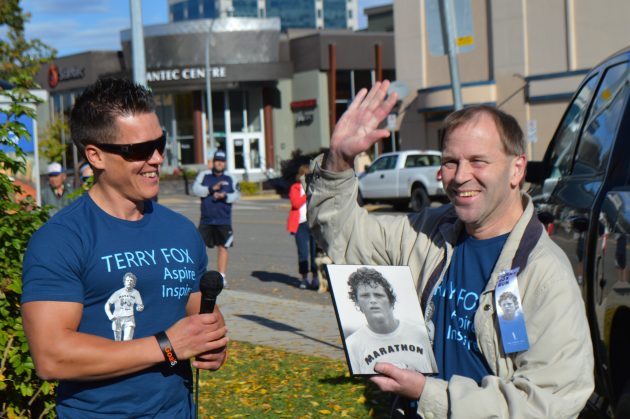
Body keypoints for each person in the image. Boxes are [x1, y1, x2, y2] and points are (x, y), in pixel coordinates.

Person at [307, 80, 594, 417]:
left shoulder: (545, 275)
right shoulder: (428, 232)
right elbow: (341, 234)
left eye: (478, 161)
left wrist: (428, 393)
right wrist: (339, 159)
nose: (460, 176)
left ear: (517, 169)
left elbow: (545, 405)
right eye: (450, 162)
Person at [21, 78, 228, 418]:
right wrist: (167, 346)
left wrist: (213, 343)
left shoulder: (180, 232)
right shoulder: (61, 239)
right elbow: (51, 356)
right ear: (95, 155)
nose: (157, 158)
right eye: (139, 150)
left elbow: (195, 320)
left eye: (160, 143)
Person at [345, 267, 434, 375]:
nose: (372, 300)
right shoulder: (352, 344)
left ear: (391, 301)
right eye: (365, 296)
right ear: (357, 302)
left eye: (378, 295)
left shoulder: (419, 333)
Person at [192, 149, 240, 288]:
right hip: (206, 219)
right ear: (213, 162)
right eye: (217, 161)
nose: (219, 163)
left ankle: (222, 277)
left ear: (225, 163)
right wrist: (211, 189)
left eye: (222, 161)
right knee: (199, 248)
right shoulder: (204, 175)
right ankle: (198, 276)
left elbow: (236, 195)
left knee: (223, 248)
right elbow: (195, 189)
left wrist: (224, 196)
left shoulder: (231, 177)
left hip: (223, 220)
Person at [287, 164, 318, 289]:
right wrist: (306, 193)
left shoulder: (315, 188)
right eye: (305, 176)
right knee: (303, 253)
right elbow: (295, 203)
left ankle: (316, 277)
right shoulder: (295, 188)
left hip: (313, 223)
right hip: (300, 224)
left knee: (315, 252)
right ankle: (304, 278)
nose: (306, 179)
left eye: (309, 176)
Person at [104, 272, 145, 341]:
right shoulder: (118, 293)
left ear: (134, 283)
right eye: (127, 280)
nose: (129, 282)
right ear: (124, 282)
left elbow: (140, 305)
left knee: (127, 340)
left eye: (131, 281)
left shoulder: (136, 293)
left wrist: (140, 308)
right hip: (117, 319)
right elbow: (107, 304)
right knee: (117, 341)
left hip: (129, 319)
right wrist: (110, 315)